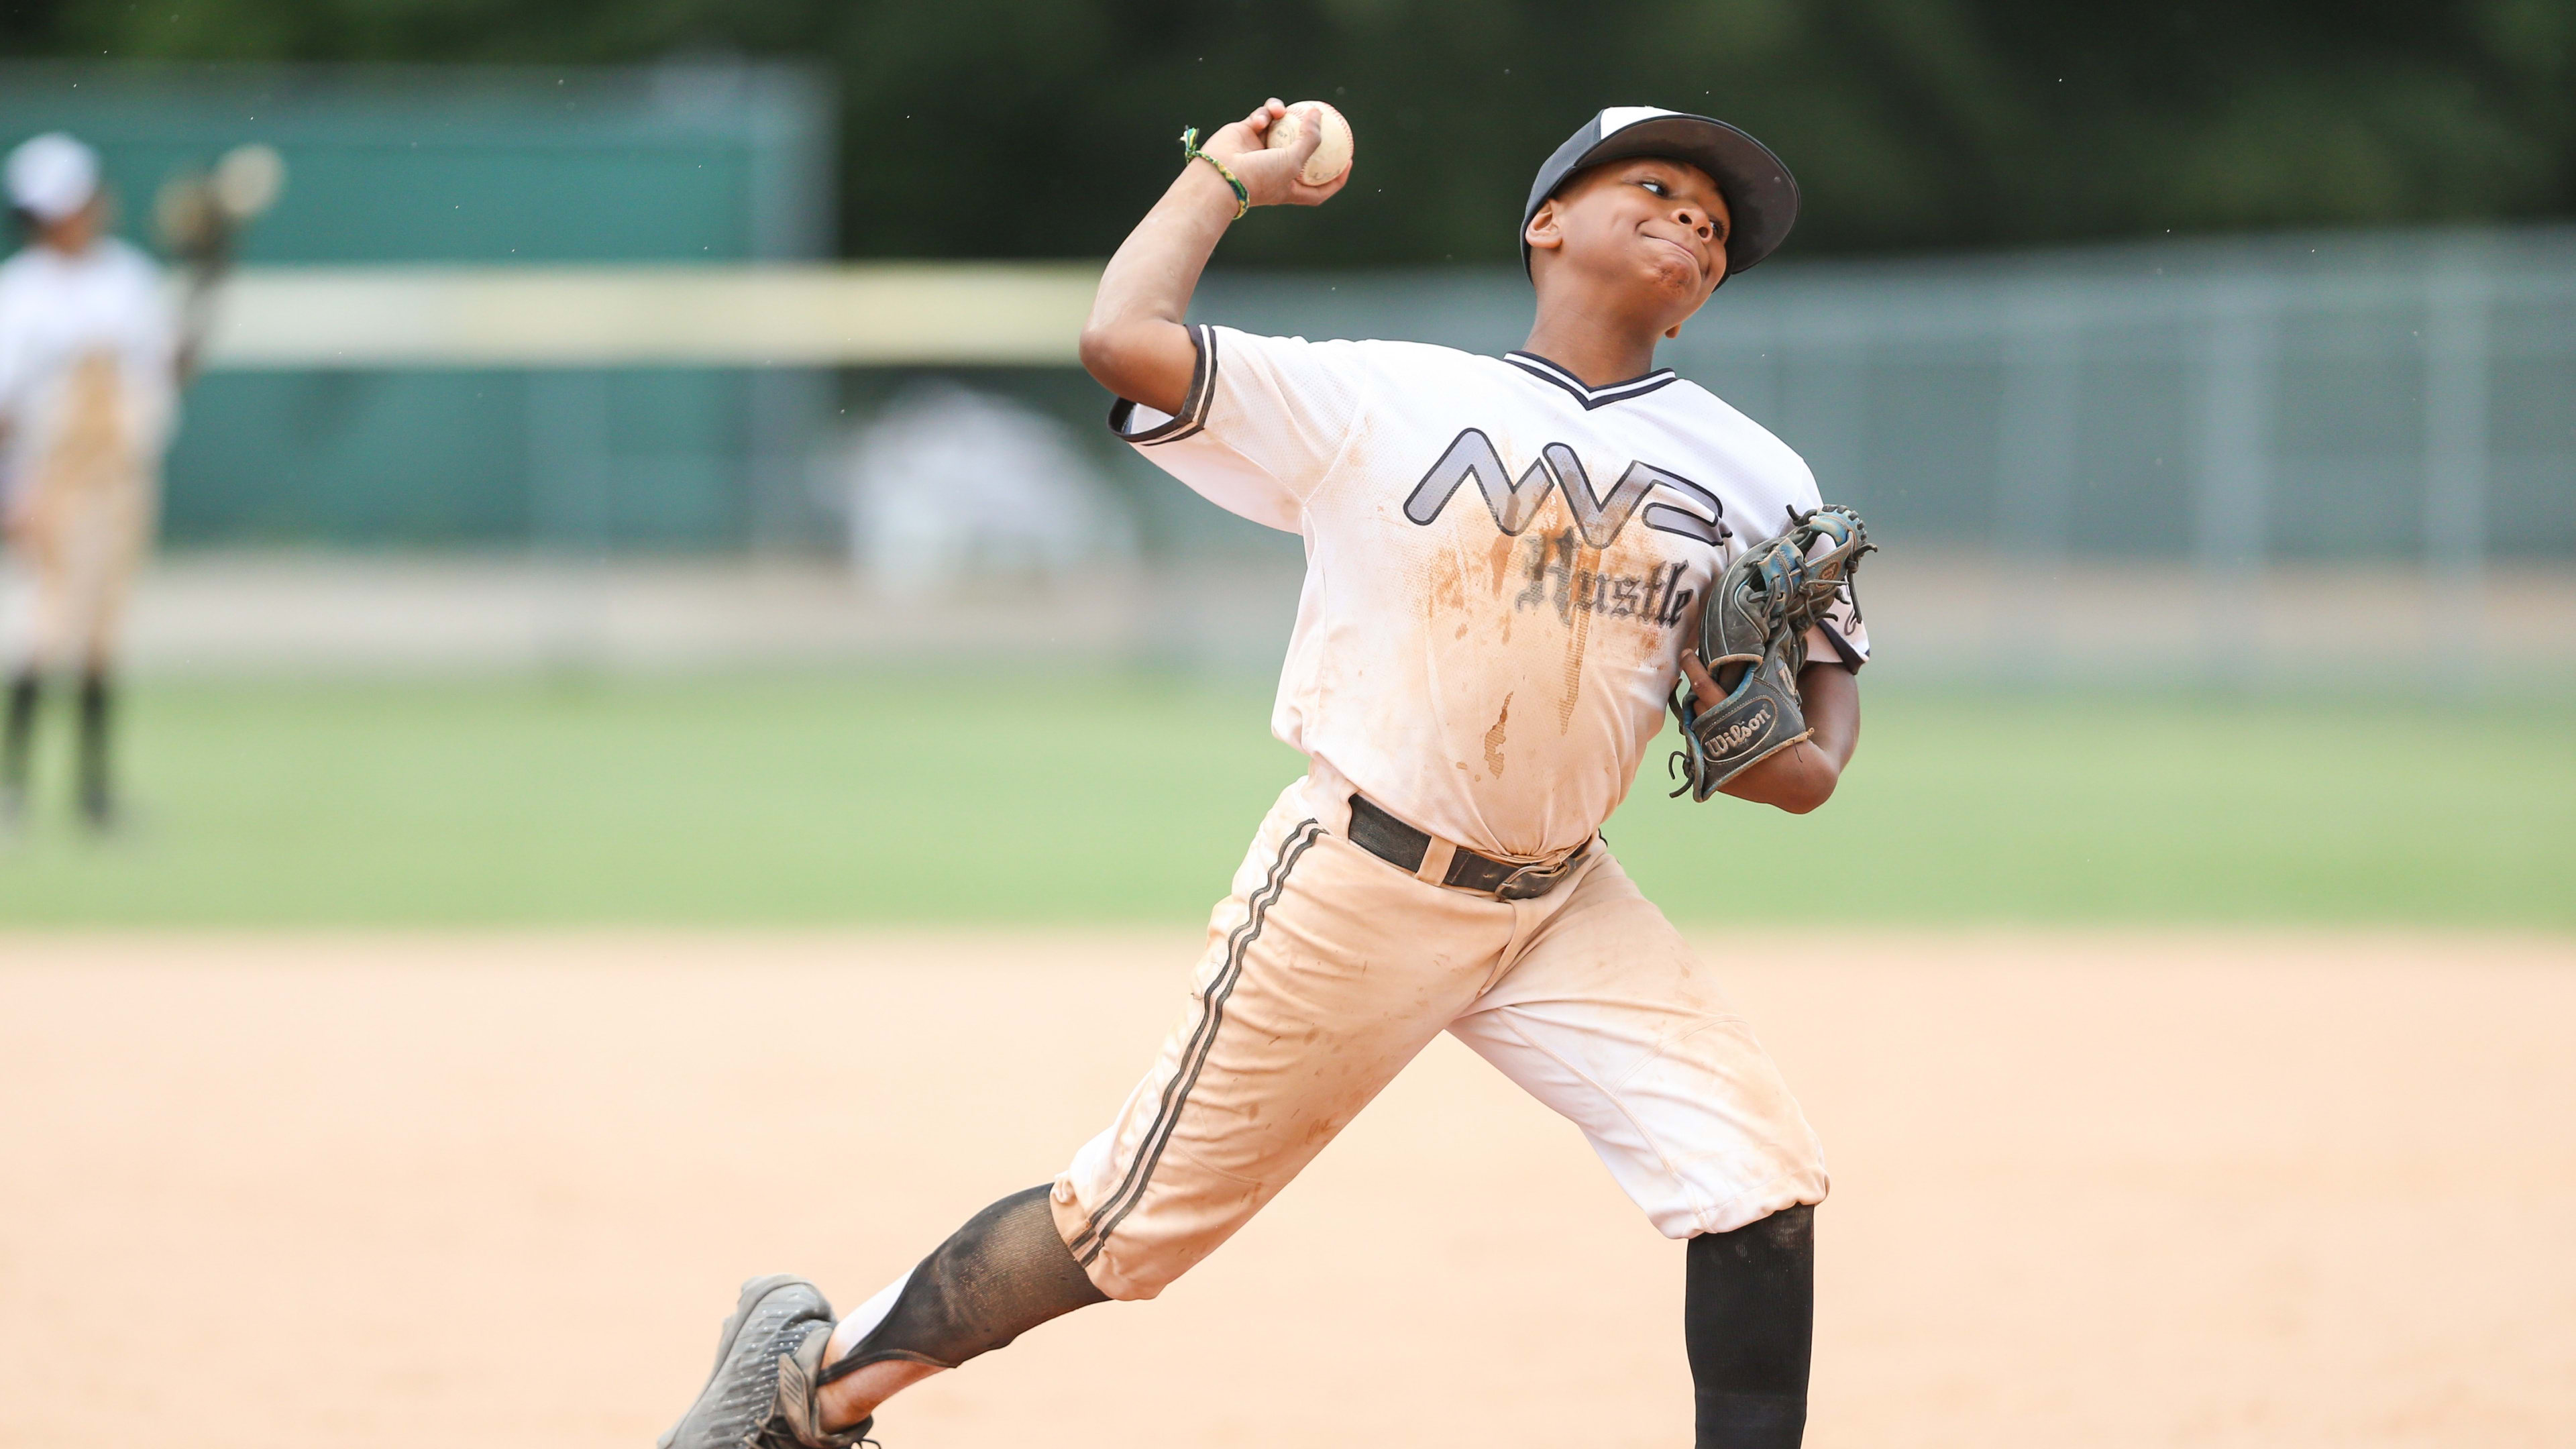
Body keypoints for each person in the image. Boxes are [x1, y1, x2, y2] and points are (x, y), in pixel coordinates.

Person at [659, 101, 1870, 1449]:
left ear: (1703, 297)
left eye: (1714, 225)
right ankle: (807, 1389)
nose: (1692, 222)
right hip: (1363, 882)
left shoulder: (1758, 473)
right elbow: (1124, 342)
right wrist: (1224, 181)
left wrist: (1778, 741)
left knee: (1758, 1181)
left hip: (1561, 905)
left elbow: (1813, 746)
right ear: (1548, 225)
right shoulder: (1385, 396)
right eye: (1653, 186)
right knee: (1126, 1231)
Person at [0, 131, 179, 832]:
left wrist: (213, 275)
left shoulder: (127, 278)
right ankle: (14, 788)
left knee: (104, 634)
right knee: (40, 630)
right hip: (52, 477)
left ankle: (94, 796)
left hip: (122, 477)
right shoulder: (18, 294)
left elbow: (162, 374)